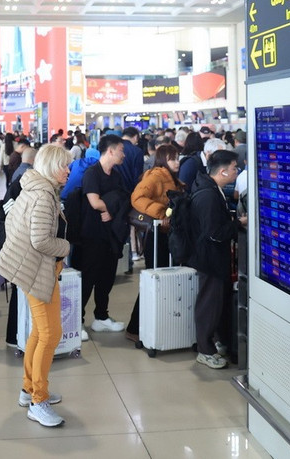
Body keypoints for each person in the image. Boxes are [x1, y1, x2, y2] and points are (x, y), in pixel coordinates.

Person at [0, 144, 72, 427]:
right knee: (50, 334)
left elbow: (14, 225)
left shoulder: (34, 188)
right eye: (64, 166)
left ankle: (30, 389)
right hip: (38, 271)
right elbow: (40, 240)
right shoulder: (43, 195)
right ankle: (38, 400)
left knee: (40, 332)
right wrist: (66, 247)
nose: (68, 171)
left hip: (33, 269)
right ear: (51, 167)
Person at [188, 149, 246, 369]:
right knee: (208, 304)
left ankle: (215, 342)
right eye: (234, 168)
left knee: (216, 302)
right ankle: (205, 350)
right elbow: (214, 233)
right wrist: (238, 223)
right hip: (209, 258)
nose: (236, 171)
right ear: (222, 171)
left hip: (211, 257)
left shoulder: (209, 188)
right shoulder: (208, 195)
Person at [125, 144, 183, 341]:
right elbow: (137, 197)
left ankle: (156, 327)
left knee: (164, 282)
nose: (177, 162)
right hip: (157, 237)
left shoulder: (172, 178)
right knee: (153, 281)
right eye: (172, 158)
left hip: (167, 236)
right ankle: (134, 328)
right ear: (163, 160)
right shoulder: (156, 176)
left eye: (178, 158)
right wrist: (160, 213)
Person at [76, 134, 128, 333]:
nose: (124, 154)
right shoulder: (92, 173)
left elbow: (123, 200)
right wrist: (110, 208)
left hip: (111, 234)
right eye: (121, 150)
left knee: (107, 277)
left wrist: (111, 211)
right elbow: (95, 202)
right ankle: (77, 321)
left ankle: (101, 316)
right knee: (89, 277)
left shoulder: (116, 175)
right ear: (111, 151)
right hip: (93, 234)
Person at [115, 127, 145, 192]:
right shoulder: (137, 151)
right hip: (130, 189)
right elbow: (138, 175)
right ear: (136, 137)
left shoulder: (113, 147)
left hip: (114, 188)